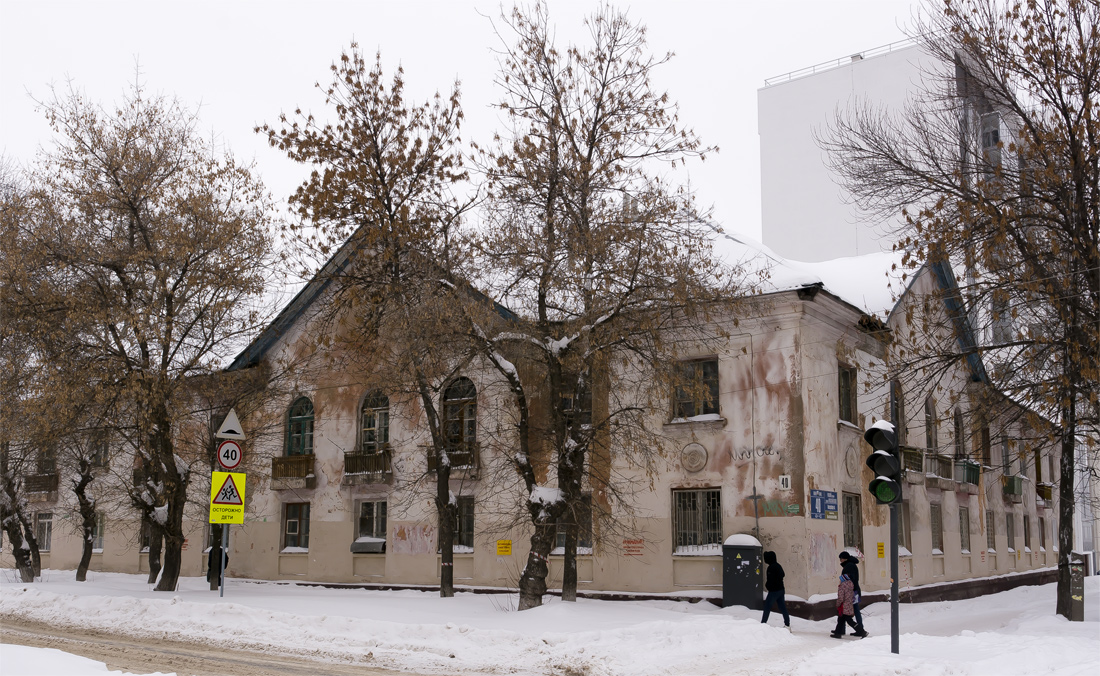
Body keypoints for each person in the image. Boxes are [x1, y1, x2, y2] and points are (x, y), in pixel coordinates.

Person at [838, 551, 867, 637]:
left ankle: (860, 630)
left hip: (851, 592)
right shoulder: (851, 565)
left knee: (850, 610)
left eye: (841, 559)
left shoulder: (849, 566)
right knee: (851, 610)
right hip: (854, 591)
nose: (840, 561)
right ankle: (841, 629)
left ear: (844, 558)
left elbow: (849, 579)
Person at [760, 550, 790, 629]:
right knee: (782, 607)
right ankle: (787, 624)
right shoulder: (778, 565)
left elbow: (770, 580)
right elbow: (783, 574)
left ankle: (763, 624)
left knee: (767, 607)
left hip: (774, 591)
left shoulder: (771, 568)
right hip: (781, 590)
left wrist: (768, 586)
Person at [831, 573, 861, 638]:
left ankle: (862, 631)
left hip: (843, 606)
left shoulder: (842, 586)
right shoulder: (851, 585)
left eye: (840, 579)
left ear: (843, 579)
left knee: (848, 621)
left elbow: (841, 598)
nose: (839, 581)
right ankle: (838, 633)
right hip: (849, 605)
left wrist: (838, 604)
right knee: (841, 619)